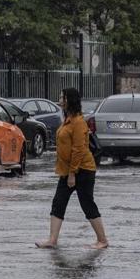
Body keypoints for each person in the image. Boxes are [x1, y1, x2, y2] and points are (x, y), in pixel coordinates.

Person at [35, 88, 108, 249]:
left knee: (87, 204)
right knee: (58, 203)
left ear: (70, 100)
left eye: (62, 97)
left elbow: (78, 149)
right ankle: (52, 240)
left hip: (82, 170)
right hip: (67, 170)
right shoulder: (67, 119)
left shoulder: (78, 122)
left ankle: (102, 240)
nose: (60, 99)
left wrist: (72, 174)